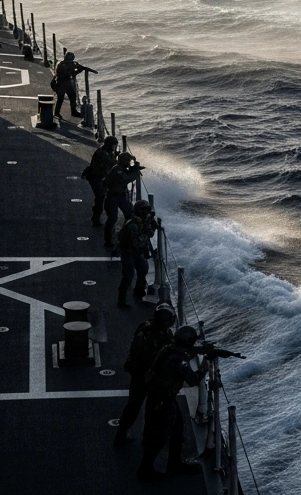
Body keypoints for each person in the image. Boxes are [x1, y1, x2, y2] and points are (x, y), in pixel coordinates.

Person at [138, 327, 244, 482]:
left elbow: (193, 350)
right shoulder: (178, 359)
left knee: (177, 431)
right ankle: (145, 469)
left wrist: (218, 351)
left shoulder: (170, 348)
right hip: (163, 401)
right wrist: (205, 366)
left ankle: (174, 463)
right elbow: (193, 379)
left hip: (162, 398)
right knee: (160, 437)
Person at [113, 302, 176, 449]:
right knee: (150, 409)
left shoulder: (145, 326)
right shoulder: (163, 335)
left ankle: (121, 435)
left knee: (133, 406)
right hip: (149, 377)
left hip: (139, 374)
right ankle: (146, 439)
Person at [116, 200, 157, 309]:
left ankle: (139, 290)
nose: (147, 213)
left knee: (143, 270)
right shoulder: (133, 224)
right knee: (128, 276)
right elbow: (138, 241)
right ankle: (121, 299)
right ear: (139, 211)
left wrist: (150, 224)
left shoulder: (142, 222)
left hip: (138, 252)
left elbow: (150, 234)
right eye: (145, 210)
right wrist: (147, 225)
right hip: (129, 252)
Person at [102, 152, 141, 248]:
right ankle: (108, 241)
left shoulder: (121, 168)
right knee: (112, 218)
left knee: (130, 214)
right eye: (128, 161)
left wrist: (133, 167)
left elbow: (128, 173)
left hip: (120, 196)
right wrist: (135, 171)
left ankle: (126, 237)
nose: (129, 163)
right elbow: (128, 178)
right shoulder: (117, 170)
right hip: (112, 197)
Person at [83, 136, 119, 227]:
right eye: (113, 145)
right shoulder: (103, 154)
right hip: (96, 177)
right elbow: (110, 166)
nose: (114, 147)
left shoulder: (106, 152)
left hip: (99, 177)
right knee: (100, 197)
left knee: (101, 197)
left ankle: (96, 217)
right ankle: (95, 219)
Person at [53, 52, 82, 119]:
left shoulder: (63, 63)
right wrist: (79, 70)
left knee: (73, 96)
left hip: (66, 83)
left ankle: (73, 111)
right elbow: (71, 73)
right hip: (61, 83)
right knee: (60, 99)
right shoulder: (63, 65)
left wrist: (78, 67)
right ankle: (57, 113)